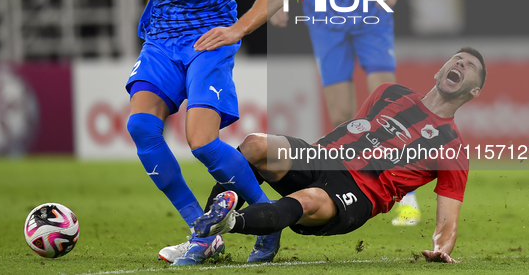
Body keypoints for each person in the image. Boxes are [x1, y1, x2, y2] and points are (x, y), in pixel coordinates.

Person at [86, 0, 282, 266]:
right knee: (140, 127)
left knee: (202, 142)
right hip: (161, 36)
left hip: (208, 40)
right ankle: (201, 230)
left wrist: (237, 29)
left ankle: (268, 219)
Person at [194, 47, 486, 264]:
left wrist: (441, 249)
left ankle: (231, 222)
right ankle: (204, 241)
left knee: (308, 200)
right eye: (457, 58)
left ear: (474, 91)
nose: (461, 62)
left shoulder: (452, 147)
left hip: (359, 193)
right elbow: (351, 131)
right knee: (255, 145)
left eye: (470, 65)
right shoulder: (390, 93)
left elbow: (448, 221)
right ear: (439, 71)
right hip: (324, 158)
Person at [267, 0, 432, 226]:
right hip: (326, 16)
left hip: (371, 14)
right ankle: (343, 189)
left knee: (389, 108)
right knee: (343, 117)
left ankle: (408, 196)